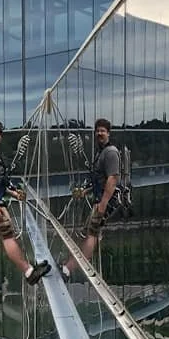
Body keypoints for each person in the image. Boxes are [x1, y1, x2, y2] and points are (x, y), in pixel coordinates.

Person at [0, 122, 51, 285]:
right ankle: (29, 273)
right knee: (8, 236)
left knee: (10, 235)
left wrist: (13, 193)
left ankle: (29, 268)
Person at [61, 117, 120, 279]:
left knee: (91, 233)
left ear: (108, 133)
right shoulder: (100, 153)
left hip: (105, 200)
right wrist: (84, 192)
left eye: (103, 131)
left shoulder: (110, 152)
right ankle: (71, 265)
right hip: (100, 199)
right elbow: (98, 180)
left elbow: (112, 179)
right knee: (88, 232)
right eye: (98, 131)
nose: (99, 133)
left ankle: (68, 269)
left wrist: (103, 205)